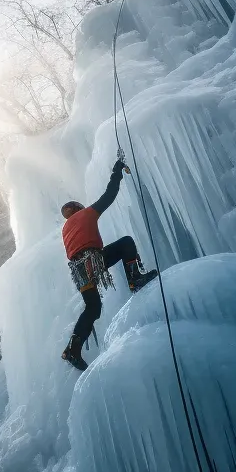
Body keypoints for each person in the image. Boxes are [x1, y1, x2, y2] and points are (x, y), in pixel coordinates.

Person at [60, 158, 158, 371]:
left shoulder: (65, 229)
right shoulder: (85, 214)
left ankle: (72, 349)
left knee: (93, 308)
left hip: (79, 272)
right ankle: (134, 279)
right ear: (79, 208)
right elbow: (109, 195)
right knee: (126, 243)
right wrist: (117, 170)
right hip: (93, 260)